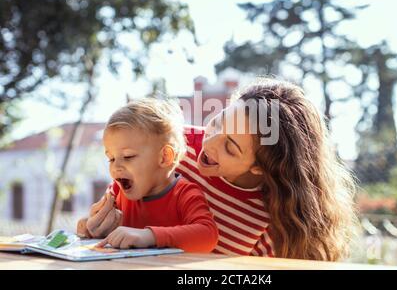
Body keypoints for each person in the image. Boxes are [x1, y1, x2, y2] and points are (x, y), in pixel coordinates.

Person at [81, 77, 358, 261]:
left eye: (230, 147)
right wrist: (101, 221)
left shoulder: (274, 222)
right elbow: (121, 189)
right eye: (217, 122)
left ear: (261, 167)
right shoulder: (171, 146)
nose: (207, 143)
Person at [76, 98, 218, 253]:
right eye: (111, 158)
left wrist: (149, 236)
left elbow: (208, 235)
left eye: (128, 156)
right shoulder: (117, 192)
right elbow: (101, 233)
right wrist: (92, 227)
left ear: (164, 157)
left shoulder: (185, 194)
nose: (115, 167)